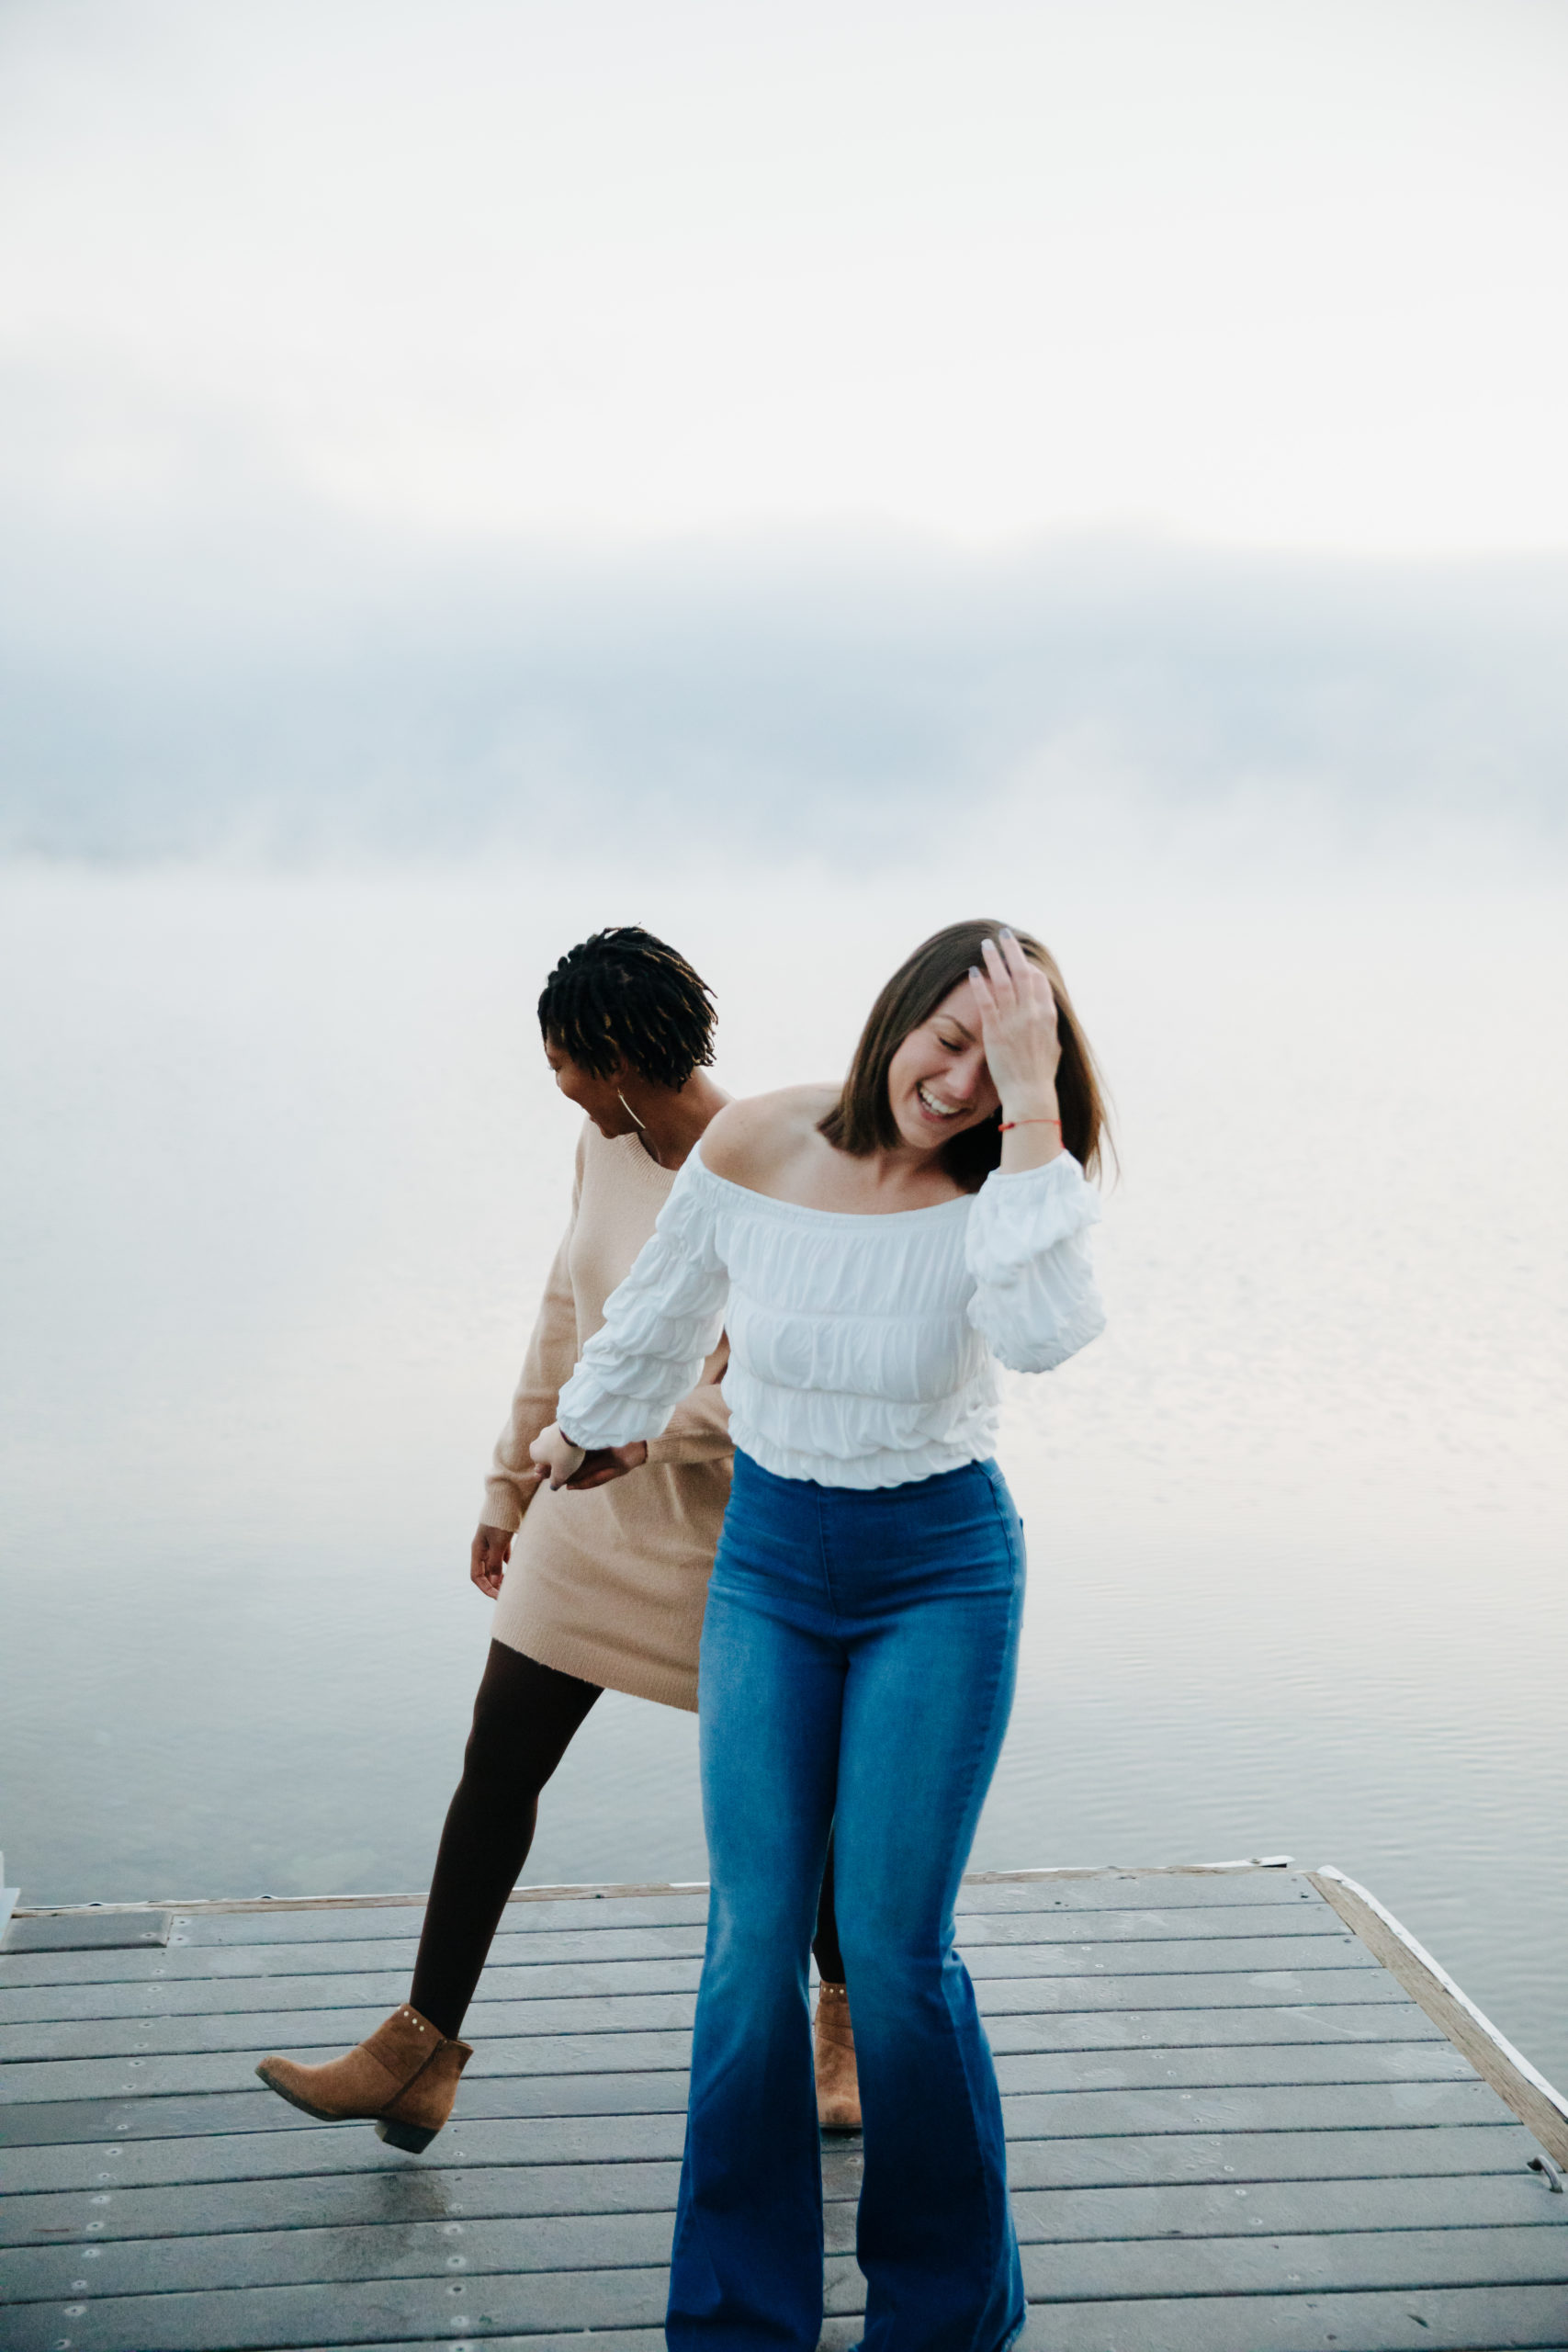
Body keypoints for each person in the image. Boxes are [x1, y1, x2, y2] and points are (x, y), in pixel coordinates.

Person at [531, 920, 1109, 2352]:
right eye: (952, 1040)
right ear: (897, 1015)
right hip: (774, 1567)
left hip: (940, 1573)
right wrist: (585, 1433)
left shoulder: (1013, 1185)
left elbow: (1042, 1337)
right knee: (750, 1947)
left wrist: (1037, 1109)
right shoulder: (762, 1144)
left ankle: (942, 2314)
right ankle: (737, 2318)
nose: (963, 1082)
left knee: (900, 1957)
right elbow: (661, 1313)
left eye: (1004, 1060)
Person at [256, 926, 854, 2154]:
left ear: (626, 1053)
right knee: (496, 1768)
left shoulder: (784, 1170)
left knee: (805, 1796)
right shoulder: (604, 1150)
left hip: (727, 1541)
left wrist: (629, 1430)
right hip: (582, 1520)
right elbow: (563, 1317)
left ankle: (844, 2029)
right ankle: (417, 2053)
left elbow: (775, 1382)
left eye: (570, 1066)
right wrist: (504, 1486)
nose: (564, 1089)